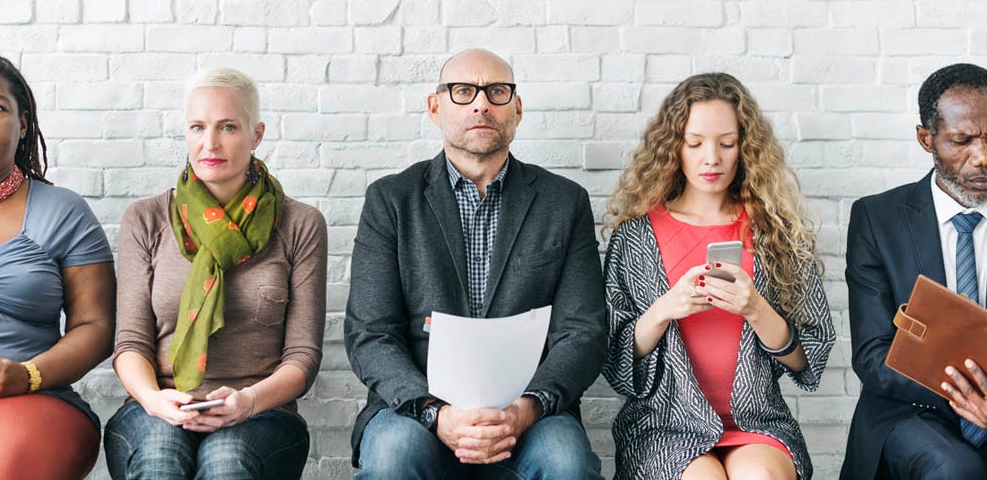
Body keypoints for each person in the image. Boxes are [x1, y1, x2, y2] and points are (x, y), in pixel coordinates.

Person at [344, 48, 606, 479]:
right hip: (415, 409)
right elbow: (370, 333)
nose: (481, 103)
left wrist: (525, 410)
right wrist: (436, 415)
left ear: (516, 108)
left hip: (529, 411)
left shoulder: (564, 202)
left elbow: (583, 332)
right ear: (436, 107)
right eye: (463, 91)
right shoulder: (391, 201)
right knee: (392, 455)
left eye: (496, 91)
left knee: (566, 462)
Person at [601, 72, 835, 480]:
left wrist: (756, 309)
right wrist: (662, 311)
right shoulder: (635, 236)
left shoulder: (774, 232)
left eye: (727, 144)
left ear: (746, 147)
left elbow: (808, 360)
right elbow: (615, 363)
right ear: (673, 147)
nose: (712, 158)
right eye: (695, 143)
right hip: (663, 426)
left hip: (757, 422)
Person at [104, 67, 327, 479]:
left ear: (256, 134)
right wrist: (155, 400)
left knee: (226, 463)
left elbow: (303, 357)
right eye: (197, 127)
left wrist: (248, 401)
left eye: (228, 127)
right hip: (156, 406)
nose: (210, 143)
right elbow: (130, 343)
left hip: (262, 411)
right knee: (159, 459)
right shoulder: (146, 218)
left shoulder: (300, 223)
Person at [0, 52, 116, 479]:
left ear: (24, 123)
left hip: (29, 400)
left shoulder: (63, 211)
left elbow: (97, 328)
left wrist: (27, 375)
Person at [842, 63, 987, 479]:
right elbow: (873, 355)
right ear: (927, 139)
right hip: (910, 409)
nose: (982, 157)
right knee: (956, 469)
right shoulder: (877, 219)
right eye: (962, 141)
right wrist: (967, 395)